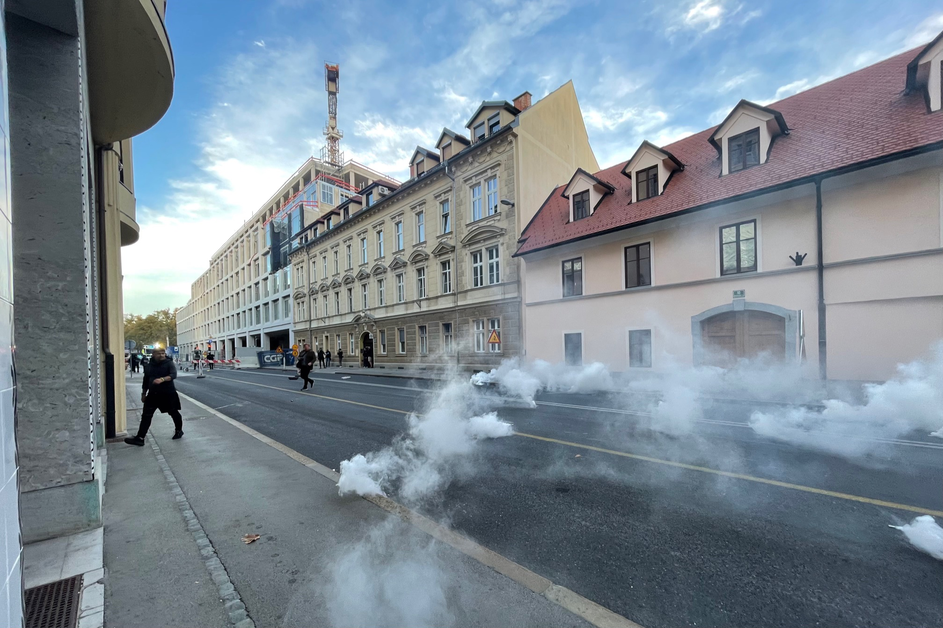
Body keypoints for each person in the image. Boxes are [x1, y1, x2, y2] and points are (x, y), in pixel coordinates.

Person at [125, 347, 183, 446]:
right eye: (159, 353)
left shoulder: (169, 363)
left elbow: (173, 375)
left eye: (163, 353)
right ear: (153, 354)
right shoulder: (149, 365)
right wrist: (143, 393)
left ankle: (179, 430)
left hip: (168, 394)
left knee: (173, 412)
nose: (161, 355)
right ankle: (140, 438)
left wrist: (162, 379)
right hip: (152, 394)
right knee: (146, 416)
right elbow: (146, 380)